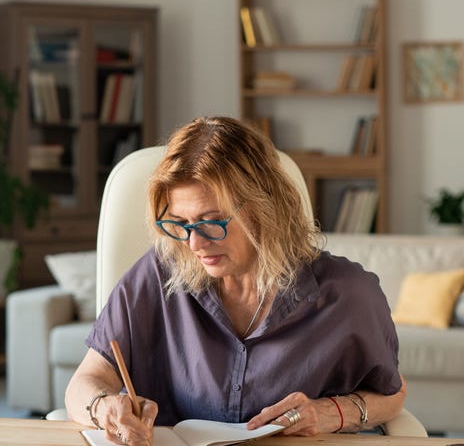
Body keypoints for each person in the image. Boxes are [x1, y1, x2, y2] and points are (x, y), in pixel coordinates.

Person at [65, 116, 405, 446]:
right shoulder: (157, 273)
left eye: (211, 221)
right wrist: (102, 407)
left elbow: (391, 394)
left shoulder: (349, 294)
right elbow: (84, 382)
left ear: (264, 208)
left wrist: (332, 412)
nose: (194, 244)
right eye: (180, 222)